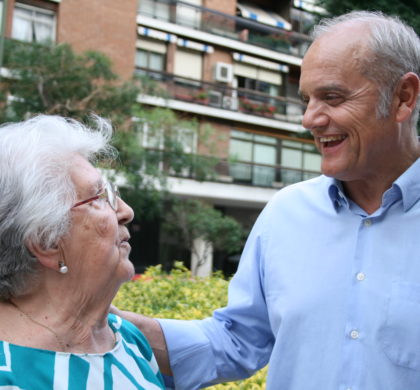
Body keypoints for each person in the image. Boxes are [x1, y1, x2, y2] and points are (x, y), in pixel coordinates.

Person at [114, 10, 420, 390]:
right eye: (307, 99)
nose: (310, 119)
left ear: (403, 98)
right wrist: (108, 329)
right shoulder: (285, 213)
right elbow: (237, 340)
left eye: (333, 97)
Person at [0, 115, 165, 389]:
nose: (126, 211)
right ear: (47, 242)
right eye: (99, 197)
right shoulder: (7, 374)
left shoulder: (127, 339)